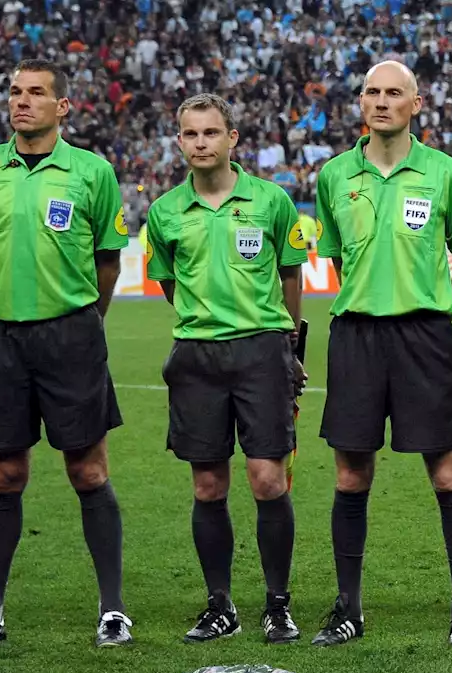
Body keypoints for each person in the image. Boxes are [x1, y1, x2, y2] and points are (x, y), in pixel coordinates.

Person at [0, 59, 132, 650]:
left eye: (36, 94)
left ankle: (113, 611)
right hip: (0, 339)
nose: (22, 102)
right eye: (15, 93)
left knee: (89, 471)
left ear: (63, 106)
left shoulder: (92, 172)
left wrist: (80, 321)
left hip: (71, 336)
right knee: (3, 476)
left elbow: (108, 260)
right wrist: (4, 298)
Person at [311, 60, 452, 648]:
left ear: (417, 103)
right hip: (356, 335)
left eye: (394, 93)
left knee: (446, 472)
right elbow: (338, 260)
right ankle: (348, 607)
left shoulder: (445, 173)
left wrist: (434, 312)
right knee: (352, 472)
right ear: (360, 102)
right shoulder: (334, 176)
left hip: (425, 338)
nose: (381, 101)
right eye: (371, 92)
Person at [144, 93, 308, 644]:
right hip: (196, 357)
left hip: (261, 352)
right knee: (208, 486)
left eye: (211, 133)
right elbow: (169, 283)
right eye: (190, 135)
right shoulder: (164, 212)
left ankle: (278, 604)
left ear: (232, 139)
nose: (200, 144)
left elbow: (291, 276)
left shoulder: (271, 201)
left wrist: (291, 346)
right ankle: (220, 605)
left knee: (266, 480)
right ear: (179, 141)